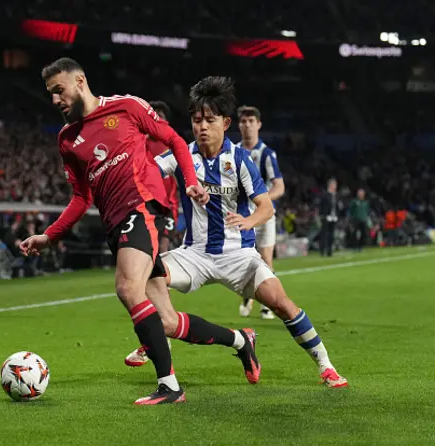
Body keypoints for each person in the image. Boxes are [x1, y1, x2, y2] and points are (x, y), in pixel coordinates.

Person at [20, 58, 258, 405]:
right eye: (51, 94)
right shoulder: (68, 140)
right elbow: (81, 196)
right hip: (115, 225)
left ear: (80, 81)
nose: (55, 100)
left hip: (142, 208)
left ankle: (170, 386)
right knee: (166, 321)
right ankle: (241, 341)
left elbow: (175, 140)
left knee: (127, 287)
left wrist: (190, 183)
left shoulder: (127, 107)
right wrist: (50, 235)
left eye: (59, 90)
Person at [124, 76, 348, 388]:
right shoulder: (182, 153)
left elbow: (266, 207)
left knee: (282, 304)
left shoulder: (240, 159)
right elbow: (145, 172)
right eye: (196, 119)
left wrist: (249, 220)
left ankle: (326, 365)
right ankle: (160, 337)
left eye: (209, 120)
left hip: (238, 255)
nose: (202, 126)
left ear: (225, 123)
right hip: (195, 253)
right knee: (146, 275)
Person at [236, 106, 285, 320]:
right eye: (243, 121)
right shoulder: (232, 152)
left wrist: (262, 200)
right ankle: (249, 294)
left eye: (251, 121)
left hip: (263, 214)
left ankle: (267, 304)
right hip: (241, 215)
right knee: (244, 259)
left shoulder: (266, 154)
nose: (247, 125)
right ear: (239, 125)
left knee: (265, 258)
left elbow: (279, 186)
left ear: (258, 124)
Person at [145, 101, 179, 254]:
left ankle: (162, 277)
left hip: (168, 207)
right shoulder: (140, 142)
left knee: (163, 248)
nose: (157, 119)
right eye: (154, 115)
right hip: (145, 204)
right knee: (147, 249)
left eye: (161, 116)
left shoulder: (174, 144)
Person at [319, 178, 339, 256]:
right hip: (326, 216)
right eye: (334, 185)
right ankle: (322, 250)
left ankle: (329, 251)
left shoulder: (335, 195)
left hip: (333, 217)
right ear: (330, 185)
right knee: (324, 234)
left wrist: (337, 215)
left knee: (331, 235)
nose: (335, 186)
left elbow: (336, 206)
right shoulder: (325, 195)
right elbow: (321, 206)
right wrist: (322, 215)